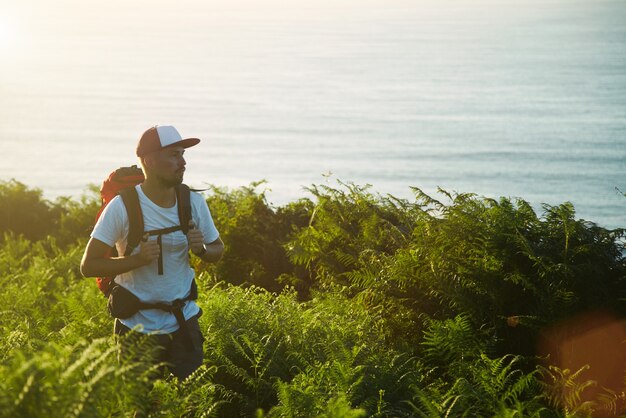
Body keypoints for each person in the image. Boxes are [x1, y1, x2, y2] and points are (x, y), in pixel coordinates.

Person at [80, 125, 224, 379]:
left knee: (187, 406)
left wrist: (201, 249)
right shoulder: (122, 207)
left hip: (184, 324)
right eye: (174, 155)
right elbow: (88, 266)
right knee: (144, 409)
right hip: (136, 329)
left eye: (183, 155)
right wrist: (136, 260)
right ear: (149, 160)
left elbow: (218, 249)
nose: (183, 162)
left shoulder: (193, 202)